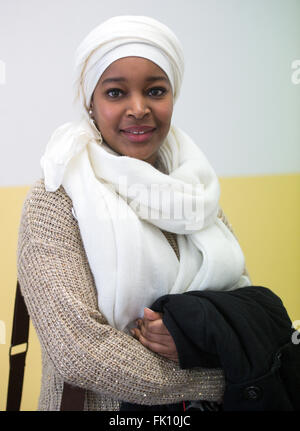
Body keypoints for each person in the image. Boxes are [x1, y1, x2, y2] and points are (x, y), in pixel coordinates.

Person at [17, 15, 251, 411]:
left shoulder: (194, 192)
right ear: (91, 102)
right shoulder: (56, 198)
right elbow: (79, 350)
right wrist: (223, 379)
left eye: (155, 90)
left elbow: (243, 307)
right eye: (115, 93)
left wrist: (196, 334)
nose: (138, 108)